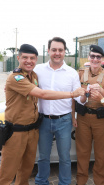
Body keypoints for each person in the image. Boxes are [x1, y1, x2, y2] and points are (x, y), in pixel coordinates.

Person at [0, 44, 85, 185]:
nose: (28, 61)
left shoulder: (34, 75)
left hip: (32, 130)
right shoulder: (15, 78)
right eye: (25, 57)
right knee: (8, 172)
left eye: (32, 58)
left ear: (36, 59)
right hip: (16, 132)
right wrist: (72, 94)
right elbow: (42, 94)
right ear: (18, 58)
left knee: (25, 170)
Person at [34, 37, 86, 185]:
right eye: (54, 49)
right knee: (43, 156)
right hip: (43, 120)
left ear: (64, 52)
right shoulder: (38, 70)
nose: (57, 53)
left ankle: (64, 183)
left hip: (64, 121)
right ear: (48, 51)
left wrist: (84, 96)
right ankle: (41, 181)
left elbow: (77, 98)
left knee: (64, 157)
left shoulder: (71, 73)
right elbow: (25, 83)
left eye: (60, 50)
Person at [75, 45, 104, 185]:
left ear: (102, 59)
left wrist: (101, 92)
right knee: (82, 152)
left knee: (101, 154)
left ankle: (99, 182)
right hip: (83, 118)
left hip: (100, 118)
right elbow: (73, 95)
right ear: (88, 57)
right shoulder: (80, 73)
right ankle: (81, 181)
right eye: (92, 56)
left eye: (98, 57)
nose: (95, 59)